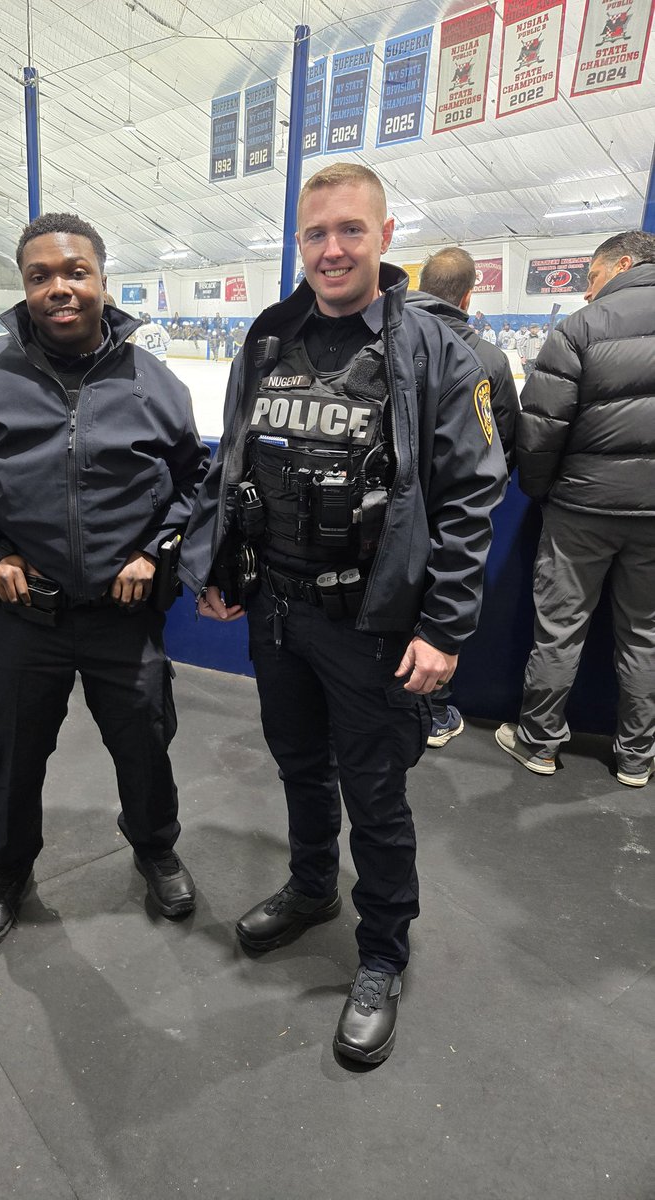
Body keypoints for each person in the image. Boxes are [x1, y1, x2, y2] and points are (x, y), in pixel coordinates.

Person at [179, 163, 506, 1063]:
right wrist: (213, 564)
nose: (331, 249)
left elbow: (473, 495)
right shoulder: (269, 335)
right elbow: (234, 458)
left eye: (350, 231)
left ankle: (381, 954)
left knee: (376, 793)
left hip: (372, 624)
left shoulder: (435, 347)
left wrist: (443, 627)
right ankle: (313, 886)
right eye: (316, 232)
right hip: (278, 611)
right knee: (297, 766)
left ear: (384, 234)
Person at [0, 212, 210, 950]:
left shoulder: (154, 381)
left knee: (144, 745)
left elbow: (195, 481)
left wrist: (156, 551)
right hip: (24, 619)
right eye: (41, 276)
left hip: (122, 614)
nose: (59, 289)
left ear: (103, 281)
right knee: (12, 754)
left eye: (76, 273)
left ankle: (155, 846)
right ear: (25, 287)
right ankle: (5, 871)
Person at [496, 230, 655, 787]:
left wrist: (540, 492)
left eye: (592, 277)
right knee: (646, 634)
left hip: (583, 510)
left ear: (623, 265)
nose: (588, 291)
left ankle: (539, 742)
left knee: (559, 627)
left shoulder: (580, 328)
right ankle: (637, 756)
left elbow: (540, 429)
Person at [407, 246, 519, 748]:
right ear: (470, 295)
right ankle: (430, 712)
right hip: (452, 513)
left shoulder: (384, 336)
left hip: (389, 512)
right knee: (441, 603)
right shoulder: (489, 357)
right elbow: (506, 444)